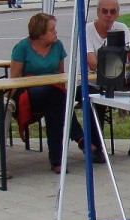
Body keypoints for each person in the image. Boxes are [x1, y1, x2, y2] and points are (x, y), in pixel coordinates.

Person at [10, 12, 102, 173]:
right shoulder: (22, 47)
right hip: (28, 93)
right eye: (52, 30)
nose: (56, 32)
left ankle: (58, 160)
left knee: (55, 105)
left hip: (54, 94)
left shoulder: (57, 46)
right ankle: (81, 139)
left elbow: (60, 76)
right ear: (40, 33)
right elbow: (15, 79)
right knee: (57, 97)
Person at [86, 0, 130, 159]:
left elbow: (127, 58)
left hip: (119, 78)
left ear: (117, 13)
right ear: (98, 12)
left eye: (112, 11)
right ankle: (96, 148)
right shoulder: (87, 30)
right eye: (104, 11)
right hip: (92, 81)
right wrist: (113, 62)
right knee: (96, 100)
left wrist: (113, 64)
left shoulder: (122, 28)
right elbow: (92, 63)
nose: (108, 15)